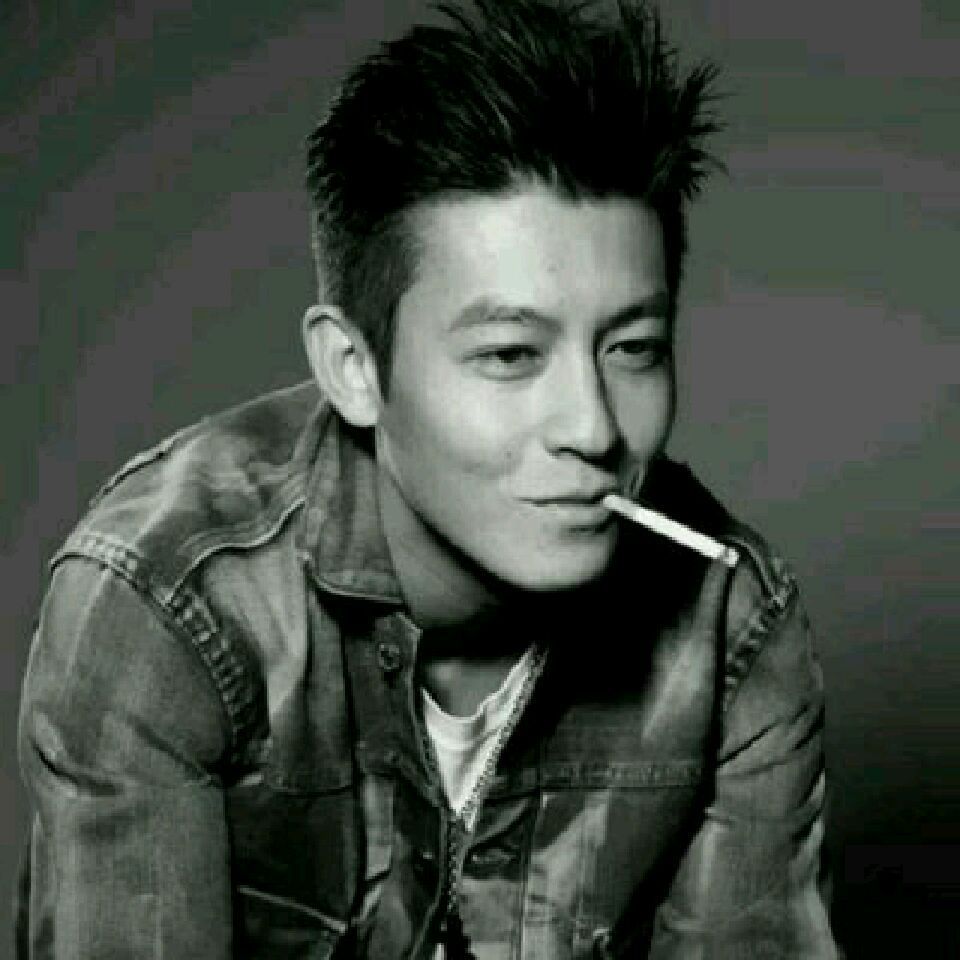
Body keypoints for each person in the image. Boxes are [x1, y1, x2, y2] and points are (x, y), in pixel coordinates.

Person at [16, 1, 841, 956]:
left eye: (634, 348)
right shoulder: (169, 609)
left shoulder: (733, 629)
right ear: (354, 370)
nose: (594, 428)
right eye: (510, 355)